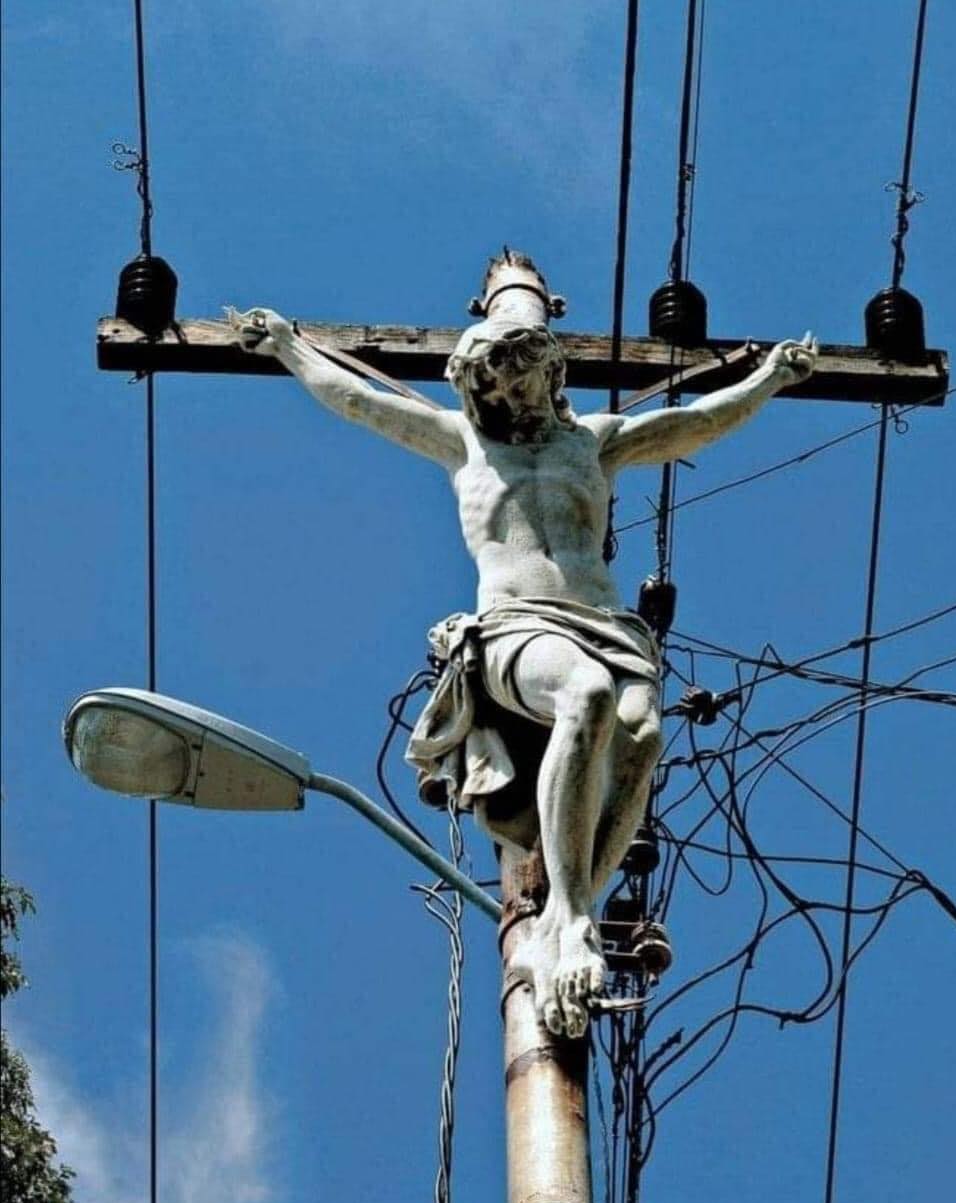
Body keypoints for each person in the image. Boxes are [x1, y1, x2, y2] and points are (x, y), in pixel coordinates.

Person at [230, 256, 816, 1037]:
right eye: (489, 383)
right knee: (586, 697)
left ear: (546, 372)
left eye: (515, 376)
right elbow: (361, 402)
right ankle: (569, 921)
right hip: (514, 627)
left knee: (640, 737)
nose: (503, 393)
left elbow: (692, 424)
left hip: (610, 626)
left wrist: (770, 379)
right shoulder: (461, 443)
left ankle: (573, 912)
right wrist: (289, 348)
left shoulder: (594, 442)